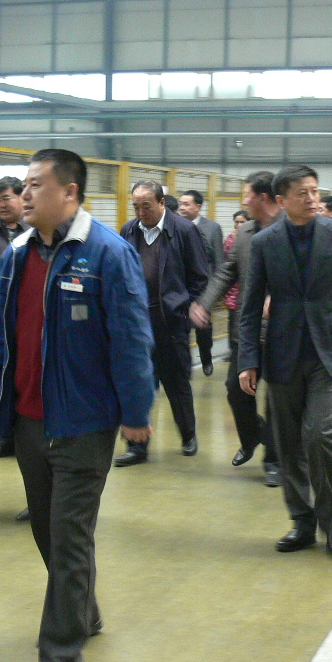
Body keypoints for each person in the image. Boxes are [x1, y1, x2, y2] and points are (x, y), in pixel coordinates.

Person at [0, 148, 155, 662]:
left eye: (36, 185)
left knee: (69, 535)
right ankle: (82, 610)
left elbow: (131, 337)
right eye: (24, 186)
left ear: (70, 193)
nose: (24, 195)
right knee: (47, 532)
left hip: (84, 422)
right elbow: (1, 333)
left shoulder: (107, 253)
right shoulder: (16, 254)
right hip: (30, 419)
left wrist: (136, 411)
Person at [239, 164, 332, 556]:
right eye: (303, 193)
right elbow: (250, 307)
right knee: (288, 443)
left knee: (320, 435)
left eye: (315, 191)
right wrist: (248, 359)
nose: (312, 199)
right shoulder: (265, 242)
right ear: (282, 201)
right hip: (282, 353)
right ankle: (301, 521)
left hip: (329, 352)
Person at [191, 176, 282, 486]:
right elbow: (227, 272)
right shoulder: (245, 233)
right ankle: (253, 436)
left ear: (264, 198)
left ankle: (274, 461)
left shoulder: (290, 229)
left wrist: (280, 297)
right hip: (248, 327)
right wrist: (204, 303)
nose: (243, 201)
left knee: (276, 399)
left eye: (247, 195)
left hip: (282, 331)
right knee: (235, 389)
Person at [115, 180, 208, 465]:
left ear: (162, 203)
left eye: (147, 206)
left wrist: (186, 308)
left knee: (176, 383)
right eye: (136, 206)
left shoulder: (184, 230)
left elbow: (200, 276)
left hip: (170, 322)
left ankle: (188, 434)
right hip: (137, 325)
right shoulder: (129, 231)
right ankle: (137, 446)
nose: (141, 212)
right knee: (137, 384)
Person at [0, 175, 28, 460]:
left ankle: (27, 434)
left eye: (7, 198)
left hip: (30, 319)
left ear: (21, 197)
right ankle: (4, 437)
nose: (1, 204)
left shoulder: (36, 231)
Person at [178, 189, 225, 377]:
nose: (182, 208)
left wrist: (215, 291)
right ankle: (185, 365)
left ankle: (206, 357)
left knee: (202, 327)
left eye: (186, 204)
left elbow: (219, 261)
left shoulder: (212, 228)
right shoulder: (176, 226)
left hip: (203, 288)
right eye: (181, 204)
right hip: (181, 286)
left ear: (198, 207)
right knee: (182, 328)